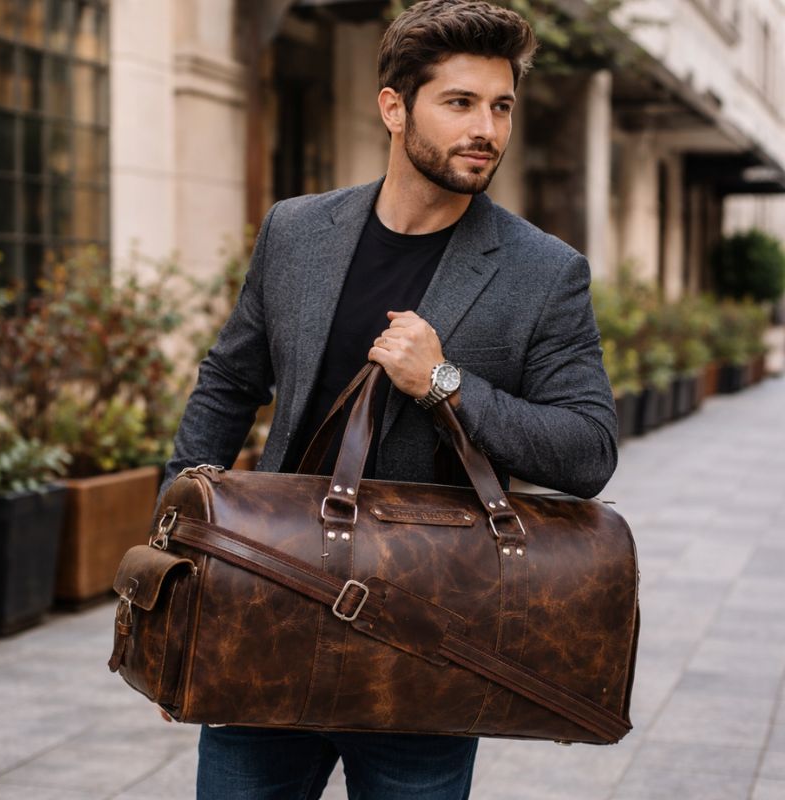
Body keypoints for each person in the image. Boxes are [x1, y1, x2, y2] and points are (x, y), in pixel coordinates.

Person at [159, 1, 618, 797]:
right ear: (394, 107)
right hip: (268, 608)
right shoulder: (296, 232)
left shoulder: (544, 274)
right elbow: (229, 382)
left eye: (502, 105)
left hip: (428, 640)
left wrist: (446, 383)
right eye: (461, 102)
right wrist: (178, 560)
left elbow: (586, 452)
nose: (488, 129)